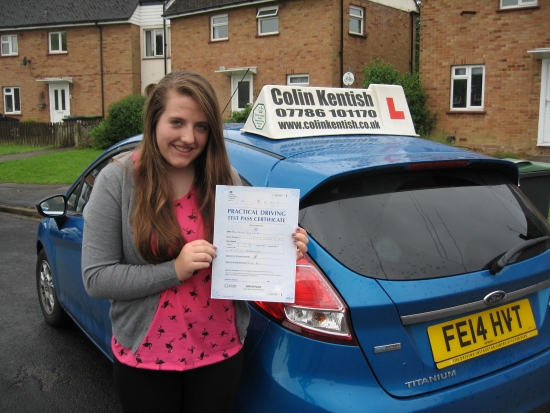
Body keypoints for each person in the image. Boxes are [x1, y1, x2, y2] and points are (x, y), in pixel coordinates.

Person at [81, 70, 308, 413]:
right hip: (147, 358)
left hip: (220, 351)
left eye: (201, 126)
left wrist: (284, 248)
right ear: (154, 120)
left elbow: (248, 255)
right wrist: (174, 269)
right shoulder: (118, 180)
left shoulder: (224, 179)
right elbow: (96, 277)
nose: (189, 137)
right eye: (177, 122)